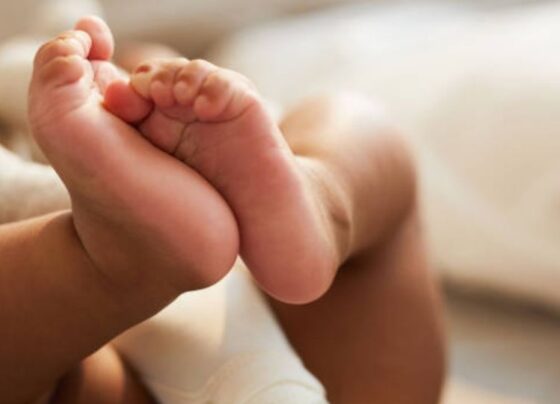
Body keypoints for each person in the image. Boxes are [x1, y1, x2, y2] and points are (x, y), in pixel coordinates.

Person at [1, 16, 445, 403]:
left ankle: (108, 262)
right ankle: (324, 201)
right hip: (302, 317)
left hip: (85, 347)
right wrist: (151, 70)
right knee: (359, 130)